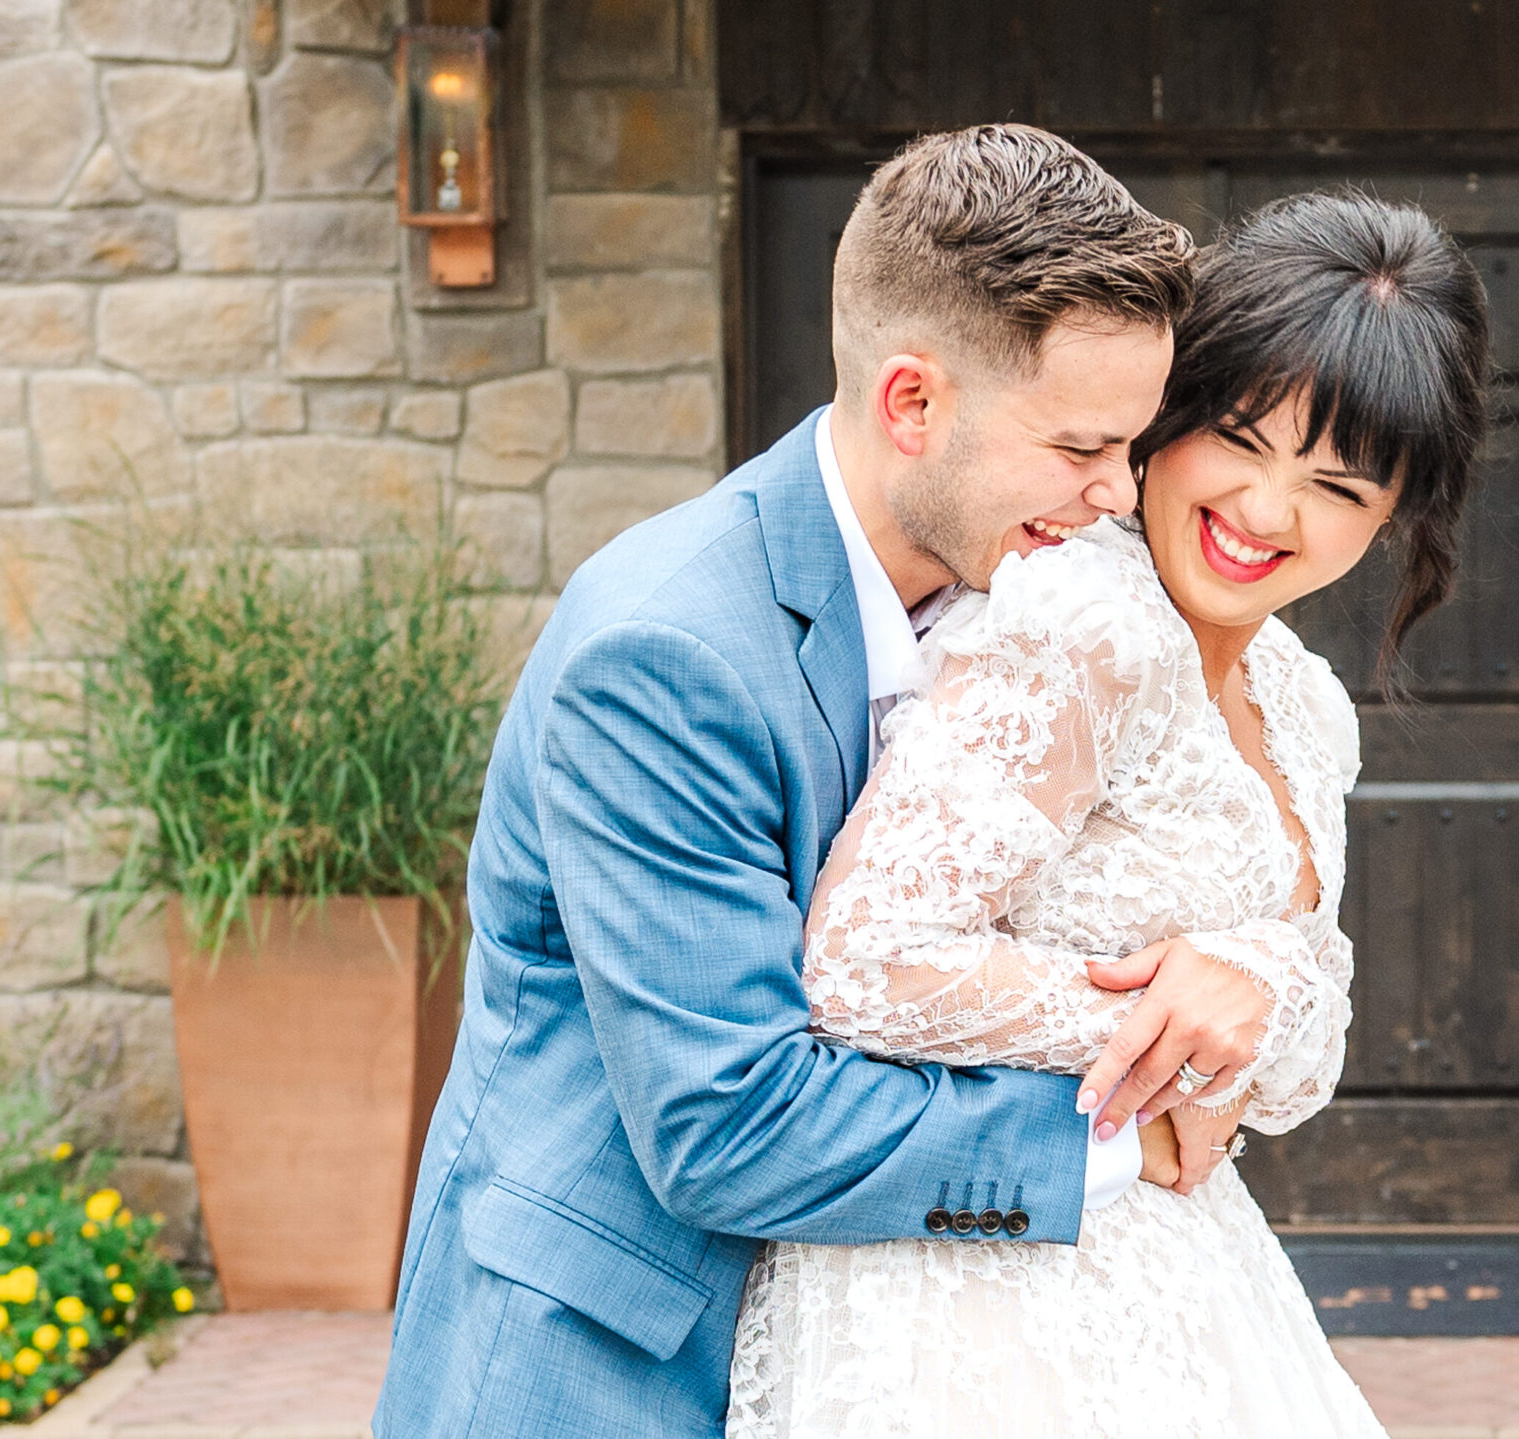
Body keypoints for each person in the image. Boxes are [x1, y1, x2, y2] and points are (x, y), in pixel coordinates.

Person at [374, 125, 1286, 1439]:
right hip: (608, 1362)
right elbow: (728, 1120)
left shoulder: (1021, 601)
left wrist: (1212, 970)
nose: (1113, 494)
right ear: (912, 402)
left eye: (1131, 448)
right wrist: (1113, 1138)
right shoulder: (668, 653)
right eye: (1081, 445)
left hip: (853, 1349)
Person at [726, 189, 1493, 1438]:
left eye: (1335, 485)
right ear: (1168, 418)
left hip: (1183, 1277)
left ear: (1394, 515)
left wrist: (1252, 982)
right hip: (976, 1293)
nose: (1265, 512)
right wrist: (1158, 1024)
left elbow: (1292, 1063)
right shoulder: (1080, 624)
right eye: (1240, 439)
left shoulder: (1300, 704)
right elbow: (861, 961)